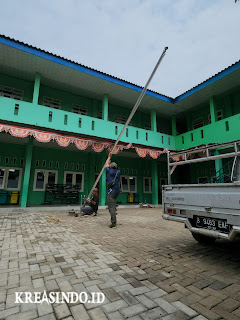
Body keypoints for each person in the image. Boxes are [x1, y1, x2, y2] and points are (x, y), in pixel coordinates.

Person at [106, 155, 121, 228]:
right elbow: (108, 166)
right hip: (117, 192)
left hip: (111, 192)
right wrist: (110, 163)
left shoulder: (108, 171)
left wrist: (109, 157)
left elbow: (106, 165)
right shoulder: (118, 172)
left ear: (110, 167)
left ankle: (113, 222)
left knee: (110, 207)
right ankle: (114, 209)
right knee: (113, 203)